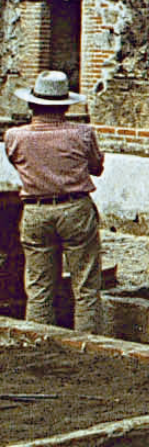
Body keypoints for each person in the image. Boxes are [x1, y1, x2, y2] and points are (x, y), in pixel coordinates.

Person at [4, 71, 106, 332]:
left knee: (39, 286)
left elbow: (17, 163)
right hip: (75, 208)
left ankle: (38, 342)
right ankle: (89, 343)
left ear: (31, 104)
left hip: (36, 210)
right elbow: (96, 168)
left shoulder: (15, 137)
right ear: (65, 105)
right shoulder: (82, 133)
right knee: (86, 284)